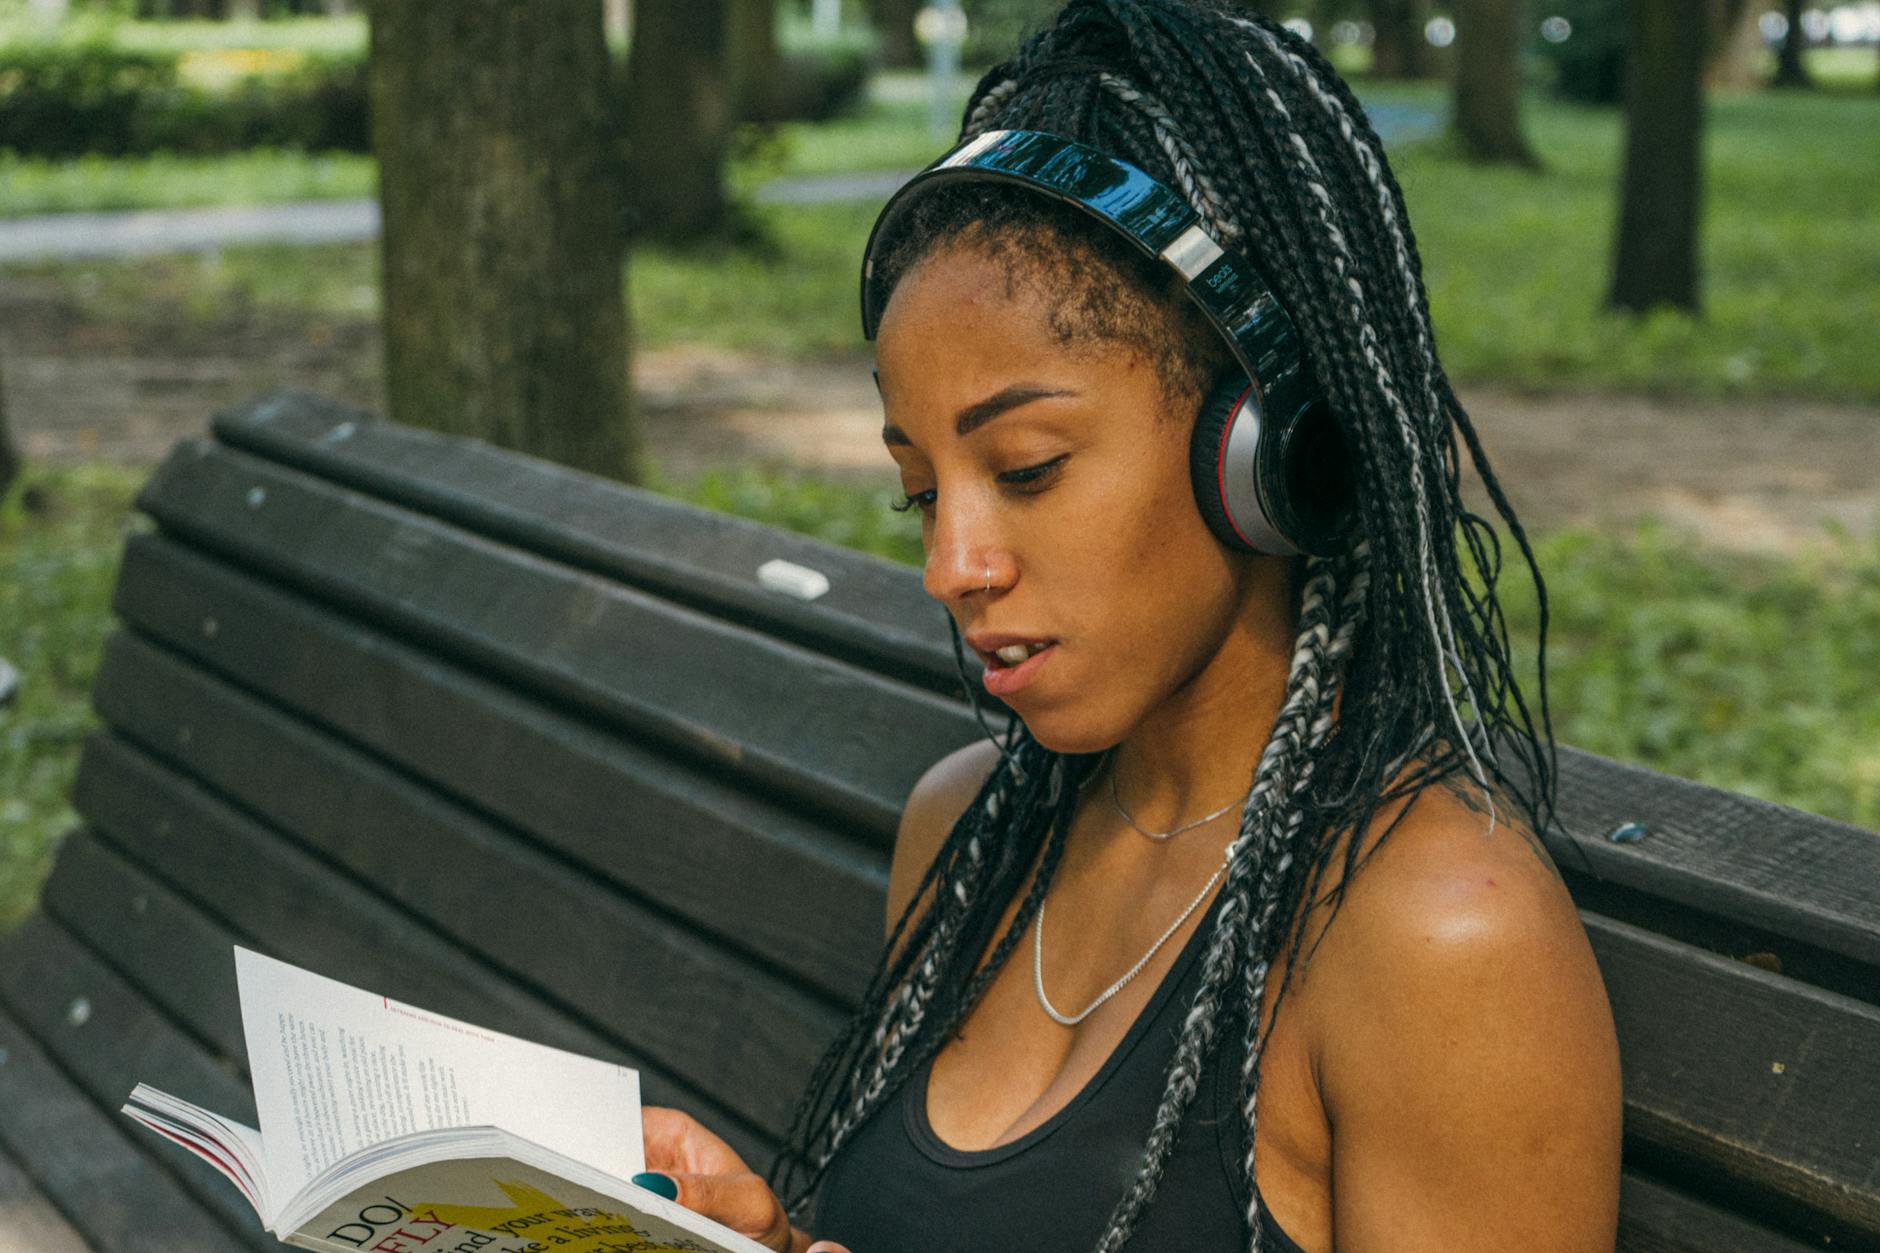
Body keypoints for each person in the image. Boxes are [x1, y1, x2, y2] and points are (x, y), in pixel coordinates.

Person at [629, 2, 1623, 1250]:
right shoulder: (968, 829)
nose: (952, 565)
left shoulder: (1433, 934)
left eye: (1028, 467)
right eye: (920, 490)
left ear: (1261, 457)